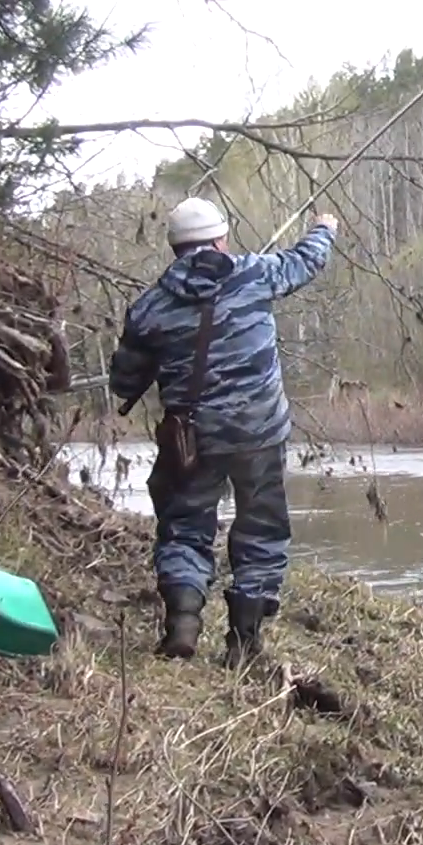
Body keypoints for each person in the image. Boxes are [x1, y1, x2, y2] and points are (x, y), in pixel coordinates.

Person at [107, 196, 339, 667]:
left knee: (185, 529)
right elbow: (305, 261)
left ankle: (184, 624)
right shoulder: (255, 274)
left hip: (193, 441)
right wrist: (324, 227)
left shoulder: (150, 307)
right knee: (261, 530)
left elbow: (123, 382)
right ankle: (244, 642)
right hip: (260, 434)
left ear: (175, 248)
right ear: (220, 237)